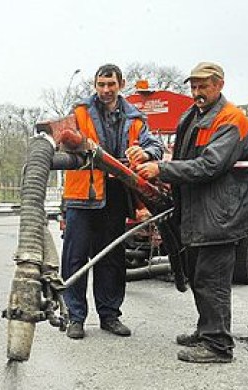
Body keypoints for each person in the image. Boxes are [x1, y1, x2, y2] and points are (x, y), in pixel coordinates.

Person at [136, 62, 248, 363]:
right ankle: (207, 330)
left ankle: (218, 345)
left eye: (203, 86)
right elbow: (184, 158)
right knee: (198, 274)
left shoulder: (232, 119)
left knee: (212, 279)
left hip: (222, 214)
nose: (196, 92)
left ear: (219, 84)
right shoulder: (193, 116)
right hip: (199, 212)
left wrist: (162, 169)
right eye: (193, 86)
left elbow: (211, 165)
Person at [62, 64, 164, 339]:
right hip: (82, 196)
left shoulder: (135, 117)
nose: (106, 90)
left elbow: (157, 147)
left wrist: (143, 152)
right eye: (101, 85)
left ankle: (109, 315)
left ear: (121, 85)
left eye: (111, 85)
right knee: (75, 259)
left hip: (116, 195)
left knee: (112, 258)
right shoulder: (80, 112)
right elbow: (63, 140)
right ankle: (75, 317)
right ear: (95, 86)